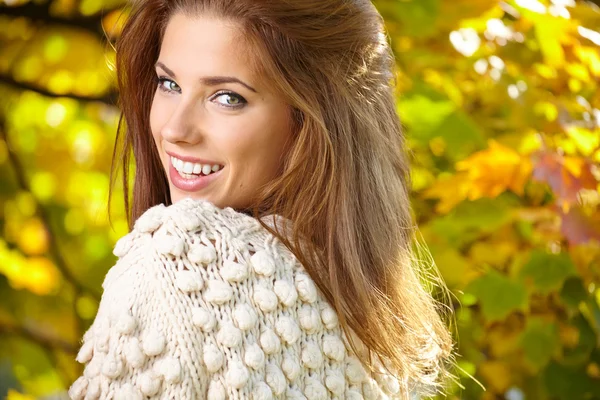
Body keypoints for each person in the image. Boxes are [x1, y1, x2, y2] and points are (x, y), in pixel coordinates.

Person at [69, 0, 456, 398]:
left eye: (227, 98)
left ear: (310, 121)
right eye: (169, 84)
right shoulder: (367, 306)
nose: (174, 129)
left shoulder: (172, 266)